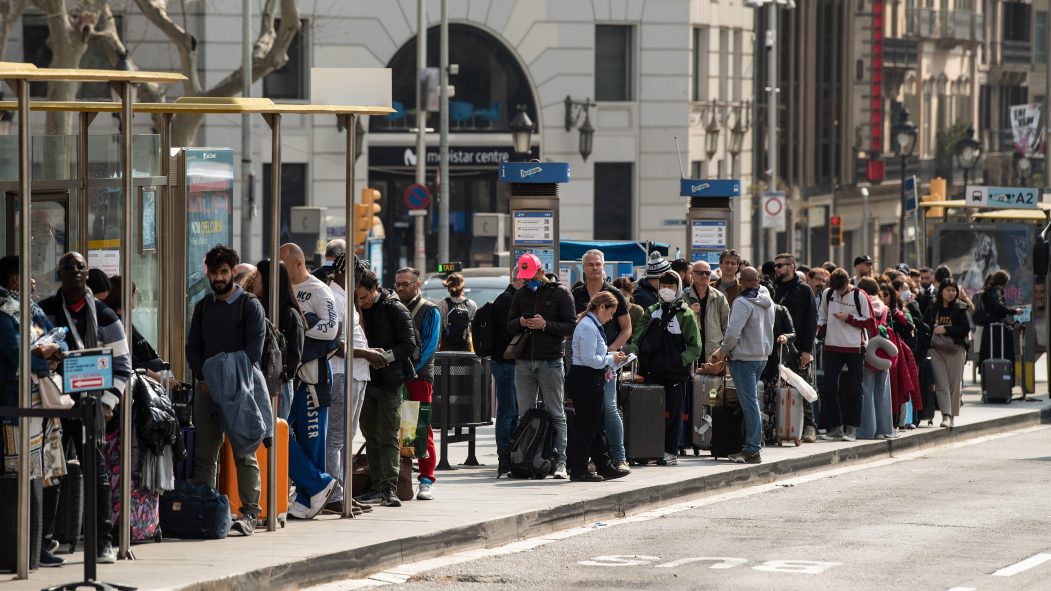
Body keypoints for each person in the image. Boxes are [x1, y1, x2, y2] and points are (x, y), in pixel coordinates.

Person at [39, 252, 133, 560]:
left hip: (91, 406)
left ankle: (101, 541)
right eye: (68, 267)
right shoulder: (45, 311)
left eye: (80, 267)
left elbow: (123, 366)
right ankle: (43, 541)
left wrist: (108, 403)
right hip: (53, 405)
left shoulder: (105, 315)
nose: (75, 272)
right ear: (60, 273)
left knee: (97, 473)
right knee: (50, 473)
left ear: (88, 273)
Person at [182, 245, 267, 535]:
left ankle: (250, 514)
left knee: (245, 452)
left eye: (223, 272)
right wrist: (205, 376)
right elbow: (193, 349)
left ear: (232, 272)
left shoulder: (249, 305)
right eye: (214, 272)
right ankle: (205, 511)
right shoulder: (204, 306)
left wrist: (221, 378)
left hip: (239, 390)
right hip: (207, 392)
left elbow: (253, 351)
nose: (218, 278)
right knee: (206, 453)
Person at [0, 256, 67, 567]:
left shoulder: (33, 309)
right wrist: (45, 359)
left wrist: (52, 356)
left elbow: (58, 337)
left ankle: (41, 541)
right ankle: (22, 545)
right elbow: (17, 353)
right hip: (18, 405)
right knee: (22, 474)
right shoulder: (3, 314)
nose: (34, 282)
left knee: (48, 474)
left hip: (45, 404)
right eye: (27, 277)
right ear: (14, 279)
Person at [279, 243, 341, 519]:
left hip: (312, 378)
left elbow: (330, 329)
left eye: (283, 264)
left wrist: (301, 330)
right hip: (291, 376)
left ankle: (310, 497)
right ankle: (315, 485)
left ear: (298, 263)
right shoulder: (282, 288)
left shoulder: (318, 290)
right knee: (281, 434)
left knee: (312, 438)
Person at [507, 253, 576, 479]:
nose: (528, 282)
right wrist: (520, 322)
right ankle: (525, 460)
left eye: (531, 277)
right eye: (524, 278)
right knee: (524, 414)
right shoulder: (520, 294)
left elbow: (570, 326)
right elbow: (509, 325)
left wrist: (545, 325)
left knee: (556, 413)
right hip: (524, 361)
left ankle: (560, 462)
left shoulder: (560, 293)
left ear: (541, 272)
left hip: (550, 361)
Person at [625, 271, 702, 466]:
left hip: (676, 373)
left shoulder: (686, 314)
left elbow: (695, 348)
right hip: (652, 371)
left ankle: (670, 450)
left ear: (678, 287)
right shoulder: (651, 311)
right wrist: (633, 353)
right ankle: (649, 449)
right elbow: (638, 338)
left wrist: (679, 361)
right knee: (651, 411)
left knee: (675, 412)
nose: (667, 290)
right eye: (663, 285)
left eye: (671, 286)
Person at [354, 270, 417, 506]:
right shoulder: (357, 309)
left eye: (364, 297)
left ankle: (389, 488)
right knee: (371, 435)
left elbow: (409, 344)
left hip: (391, 380)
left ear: (374, 290)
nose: (362, 303)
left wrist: (384, 357)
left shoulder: (395, 308)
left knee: (388, 435)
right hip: (366, 379)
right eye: (357, 299)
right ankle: (376, 485)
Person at [571, 250, 632, 472]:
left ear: (604, 266)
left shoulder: (613, 293)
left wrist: (610, 351)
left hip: (606, 362)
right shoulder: (576, 293)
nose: (594, 268)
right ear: (583, 267)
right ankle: (590, 460)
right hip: (584, 364)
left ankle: (619, 457)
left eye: (598, 264)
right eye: (590, 265)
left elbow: (626, 329)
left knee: (609, 408)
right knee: (588, 413)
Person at [709, 267, 774, 464]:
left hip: (743, 358)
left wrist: (723, 351)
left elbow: (732, 333)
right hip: (762, 356)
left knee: (749, 404)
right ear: (758, 280)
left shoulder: (742, 302)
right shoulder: (768, 300)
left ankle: (752, 449)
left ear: (740, 281)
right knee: (752, 402)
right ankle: (752, 444)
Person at [394, 266, 441, 500]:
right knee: (398, 429)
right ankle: (400, 480)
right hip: (395, 377)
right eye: (398, 284)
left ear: (417, 284)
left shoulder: (430, 310)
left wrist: (406, 371)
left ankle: (426, 479)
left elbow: (430, 347)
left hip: (418, 378)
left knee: (419, 428)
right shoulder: (393, 307)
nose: (401, 288)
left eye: (406, 284)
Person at [815, 268, 873, 442]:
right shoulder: (828, 293)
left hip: (855, 348)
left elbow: (870, 322)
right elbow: (822, 317)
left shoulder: (860, 295)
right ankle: (836, 427)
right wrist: (820, 331)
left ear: (848, 284)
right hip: (832, 347)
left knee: (855, 389)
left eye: (841, 290)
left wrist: (849, 318)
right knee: (828, 388)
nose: (839, 293)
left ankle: (852, 429)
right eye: (836, 290)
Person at [772, 253, 819, 443]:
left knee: (801, 387)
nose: (776, 269)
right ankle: (778, 427)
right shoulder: (772, 289)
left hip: (798, 349)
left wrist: (806, 350)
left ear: (792, 267)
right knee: (775, 390)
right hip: (775, 349)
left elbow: (811, 321)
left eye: (780, 266)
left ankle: (809, 427)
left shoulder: (805, 290)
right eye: (775, 266)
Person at [250, 260, 305, 421]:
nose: (254, 280)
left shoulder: (290, 315)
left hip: (278, 386)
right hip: (255, 382)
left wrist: (275, 373)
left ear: (268, 280)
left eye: (258, 276)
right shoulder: (256, 308)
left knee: (275, 433)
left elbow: (294, 357)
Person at [103, 276, 168, 384]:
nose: (135, 297)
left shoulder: (126, 321)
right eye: (132, 294)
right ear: (123, 297)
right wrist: (162, 380)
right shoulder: (116, 324)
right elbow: (132, 362)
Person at [924, 279, 971, 428]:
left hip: (955, 350)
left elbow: (965, 329)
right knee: (941, 383)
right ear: (941, 291)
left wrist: (946, 329)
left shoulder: (960, 308)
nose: (951, 293)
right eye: (948, 290)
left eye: (954, 290)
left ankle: (952, 416)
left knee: (954, 385)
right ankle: (946, 415)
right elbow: (925, 325)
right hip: (936, 349)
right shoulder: (933, 307)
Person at [493, 270, 525, 477]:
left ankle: (511, 455)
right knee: (507, 411)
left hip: (509, 363)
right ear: (519, 279)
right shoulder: (507, 300)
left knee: (511, 411)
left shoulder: (510, 297)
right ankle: (505, 457)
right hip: (505, 363)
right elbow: (508, 332)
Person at [856, 278, 895, 440]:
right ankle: (885, 429)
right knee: (883, 392)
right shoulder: (885, 308)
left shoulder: (862, 306)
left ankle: (867, 430)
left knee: (866, 391)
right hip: (883, 352)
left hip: (867, 350)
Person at [977, 271, 1021, 387]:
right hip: (997, 330)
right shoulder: (996, 291)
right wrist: (1013, 311)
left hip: (990, 329)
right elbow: (998, 306)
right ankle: (1002, 385)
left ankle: (989, 385)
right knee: (1002, 354)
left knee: (989, 354)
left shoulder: (989, 291)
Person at [686, 260, 729, 364]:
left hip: (713, 353)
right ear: (692, 274)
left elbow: (727, 326)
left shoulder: (719, 297)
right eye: (700, 273)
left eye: (708, 273)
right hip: (689, 351)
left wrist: (722, 351)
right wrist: (689, 311)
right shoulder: (683, 297)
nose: (705, 275)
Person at [436, 272, 477, 352]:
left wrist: (437, 349)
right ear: (463, 287)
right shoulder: (471, 304)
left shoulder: (441, 304)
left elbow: (439, 330)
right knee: (464, 365)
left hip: (446, 349)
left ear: (448, 288)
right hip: (465, 348)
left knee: (447, 365)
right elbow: (474, 329)